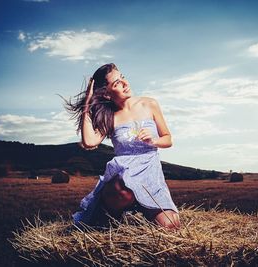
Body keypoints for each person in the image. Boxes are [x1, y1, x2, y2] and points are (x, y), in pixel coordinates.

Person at [63, 63, 180, 229]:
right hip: (123, 178)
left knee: (171, 225)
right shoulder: (110, 117)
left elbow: (168, 139)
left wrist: (154, 141)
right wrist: (87, 105)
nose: (125, 83)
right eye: (117, 83)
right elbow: (89, 142)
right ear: (107, 94)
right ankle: (114, 212)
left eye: (122, 77)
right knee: (121, 190)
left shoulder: (149, 104)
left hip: (150, 173)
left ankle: (142, 211)